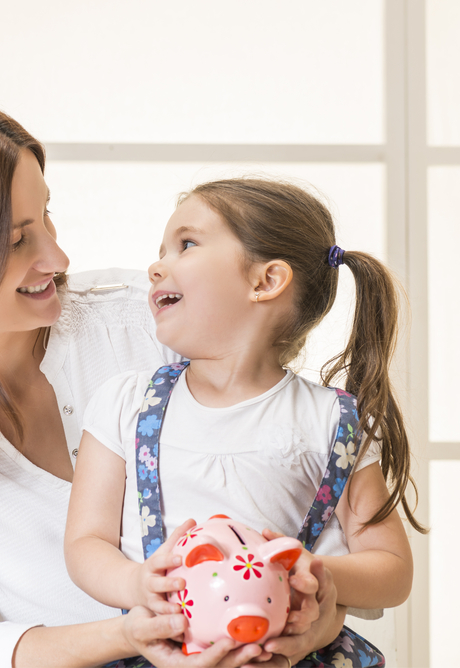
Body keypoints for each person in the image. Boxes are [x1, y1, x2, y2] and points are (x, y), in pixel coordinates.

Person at [0, 94, 342, 668]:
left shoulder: (151, 322)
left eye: (46, 215)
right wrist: (133, 636)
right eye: (16, 241)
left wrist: (311, 625)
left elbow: (306, 508)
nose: (58, 257)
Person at [64, 179, 428, 663]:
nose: (156, 267)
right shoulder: (124, 404)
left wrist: (313, 571)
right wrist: (136, 582)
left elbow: (393, 569)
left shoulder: (331, 421)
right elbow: (85, 541)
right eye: (161, 251)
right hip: (160, 655)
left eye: (186, 244)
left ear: (266, 281)